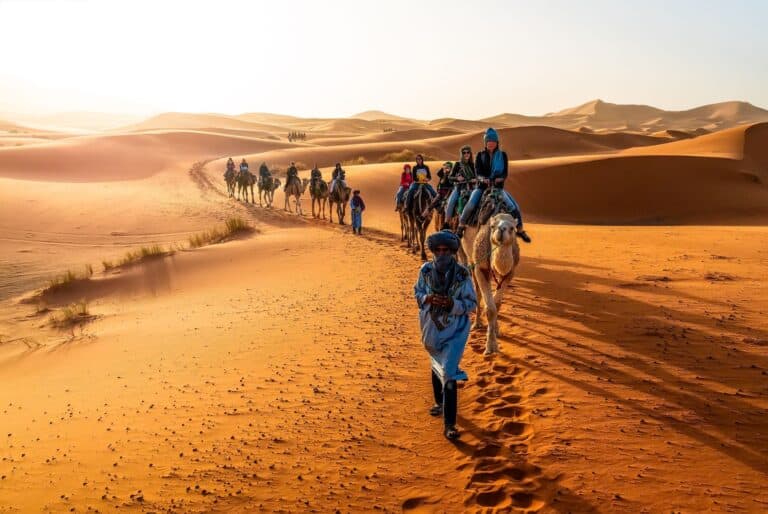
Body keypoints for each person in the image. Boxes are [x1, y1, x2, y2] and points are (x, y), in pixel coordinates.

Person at [414, 230, 477, 440]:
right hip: (431, 328)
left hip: (455, 331)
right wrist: (428, 299)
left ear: (452, 252)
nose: (442, 254)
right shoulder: (425, 271)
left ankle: (449, 425)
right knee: (436, 363)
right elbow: (417, 292)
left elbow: (472, 303)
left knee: (449, 370)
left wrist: (452, 304)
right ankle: (438, 402)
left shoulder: (462, 274)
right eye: (438, 250)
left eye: (446, 250)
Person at [456, 128, 531, 243]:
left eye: (493, 142)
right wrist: (483, 179)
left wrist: (500, 178)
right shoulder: (480, 155)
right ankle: (461, 226)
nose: (491, 144)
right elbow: (478, 172)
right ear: (485, 143)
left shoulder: (503, 155)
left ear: (497, 143)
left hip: (497, 187)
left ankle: (520, 229)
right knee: (471, 204)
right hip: (482, 187)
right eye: (489, 142)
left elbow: (505, 172)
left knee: (514, 207)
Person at [444, 145, 476, 227]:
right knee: (451, 202)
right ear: (461, 154)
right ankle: (446, 223)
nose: (466, 154)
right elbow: (450, 177)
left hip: (471, 188)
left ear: (470, 153)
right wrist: (457, 178)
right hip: (459, 188)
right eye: (464, 152)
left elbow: (477, 176)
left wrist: (475, 179)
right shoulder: (458, 164)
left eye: (468, 152)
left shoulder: (473, 165)